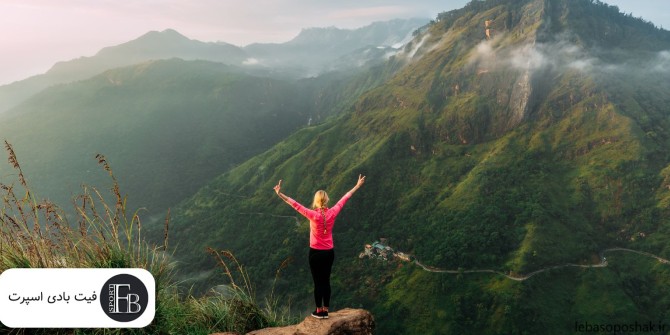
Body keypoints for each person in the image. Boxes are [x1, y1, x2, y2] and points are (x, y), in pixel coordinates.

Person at [273, 174, 365, 319]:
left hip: (315, 253)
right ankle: (326, 311)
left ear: (315, 201)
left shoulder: (312, 214)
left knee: (317, 283)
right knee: (326, 281)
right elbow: (345, 198)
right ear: (327, 200)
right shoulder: (333, 212)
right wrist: (357, 185)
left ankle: (319, 311)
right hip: (329, 253)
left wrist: (280, 194)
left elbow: (295, 204)